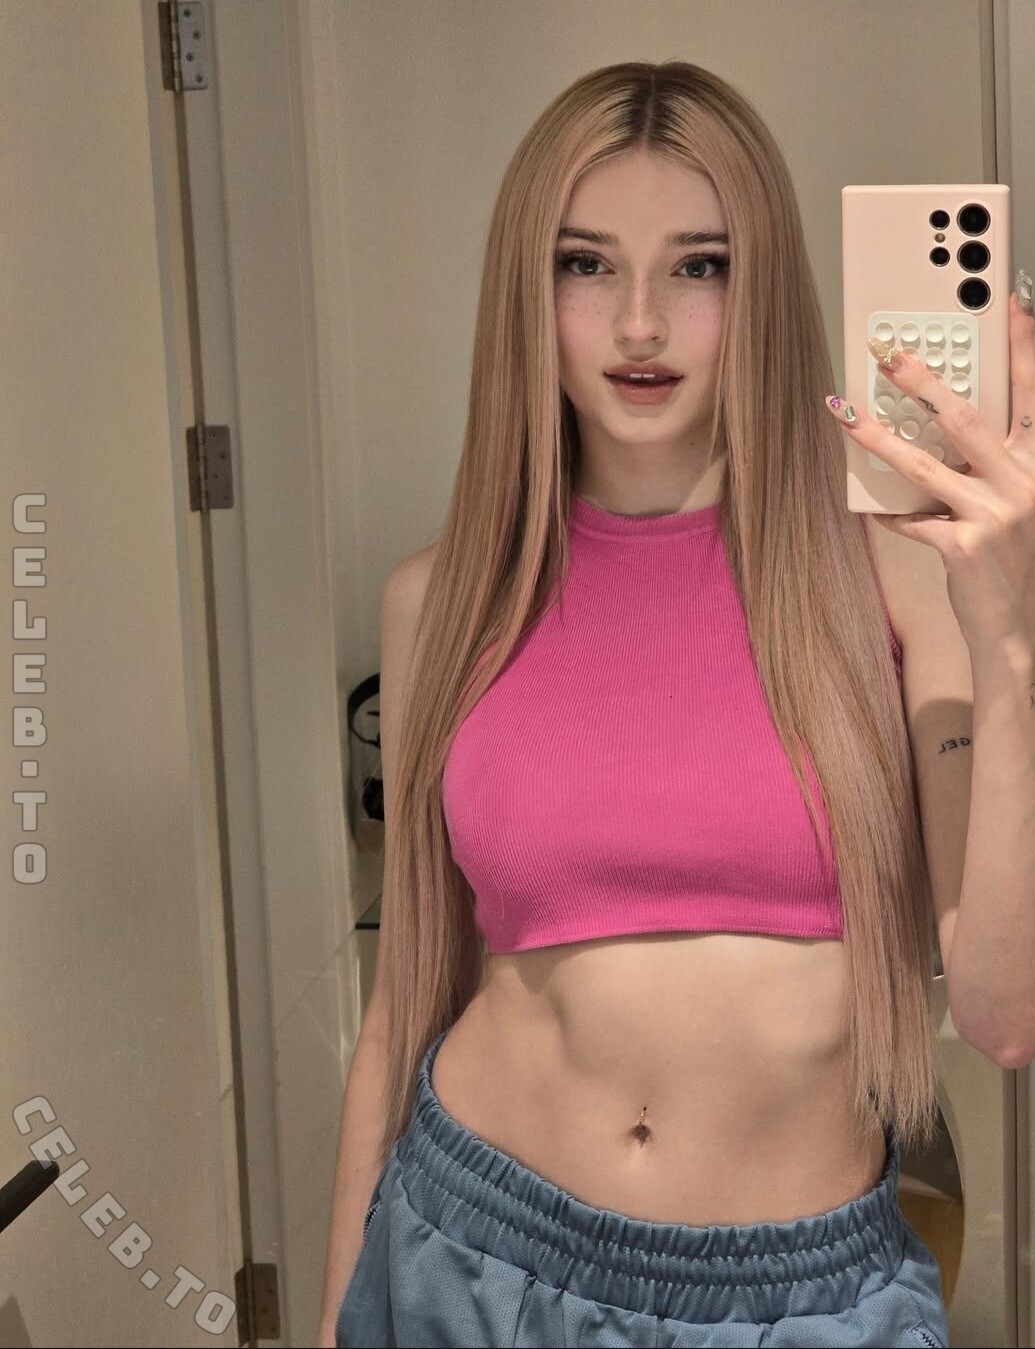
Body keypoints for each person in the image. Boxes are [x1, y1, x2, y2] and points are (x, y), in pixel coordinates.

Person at [319, 60, 951, 1348]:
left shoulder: (890, 573)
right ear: (528, 290)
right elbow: (403, 1008)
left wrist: (1013, 612)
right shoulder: (443, 600)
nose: (641, 323)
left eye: (700, 265)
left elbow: (1010, 996)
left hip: (799, 1297)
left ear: (762, 287)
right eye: (587, 264)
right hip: (469, 1255)